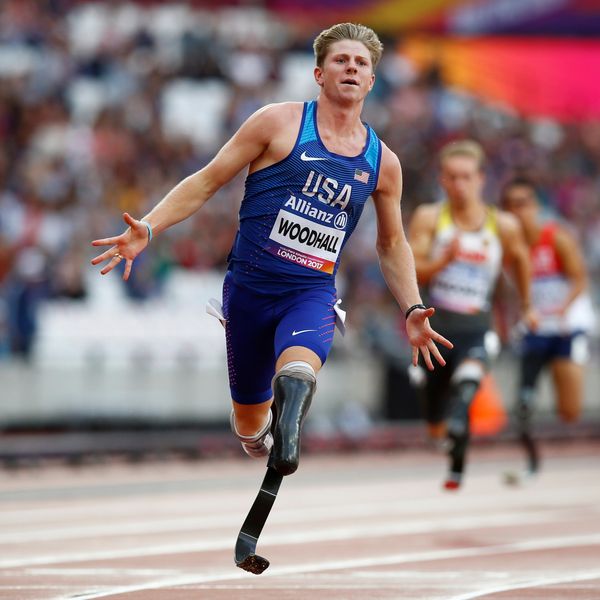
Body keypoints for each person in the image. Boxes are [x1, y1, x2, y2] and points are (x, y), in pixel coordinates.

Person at [91, 23, 452, 477]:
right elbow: (207, 180)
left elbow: (392, 243)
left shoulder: (383, 162)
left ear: (372, 81)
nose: (351, 68)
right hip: (249, 293)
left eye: (361, 63)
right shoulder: (277, 123)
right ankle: (263, 436)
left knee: (298, 374)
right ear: (319, 73)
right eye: (341, 60)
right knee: (248, 423)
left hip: (311, 293)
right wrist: (149, 225)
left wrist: (412, 306)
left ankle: (291, 433)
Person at [408, 140, 535, 490]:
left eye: (466, 177)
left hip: (477, 325)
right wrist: (442, 261)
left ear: (481, 179)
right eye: (451, 178)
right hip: (438, 326)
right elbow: (414, 271)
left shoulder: (503, 225)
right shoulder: (430, 217)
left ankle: (457, 466)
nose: (459, 185)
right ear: (442, 180)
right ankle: (447, 441)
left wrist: (527, 306)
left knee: (466, 390)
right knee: (436, 418)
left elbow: (522, 260)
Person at [501, 177, 595, 481]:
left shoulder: (556, 237)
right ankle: (531, 463)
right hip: (536, 328)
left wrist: (563, 308)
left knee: (569, 410)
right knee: (524, 404)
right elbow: (509, 292)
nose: (518, 212)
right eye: (511, 206)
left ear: (536, 207)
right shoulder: (508, 250)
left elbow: (580, 279)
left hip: (568, 328)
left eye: (524, 204)